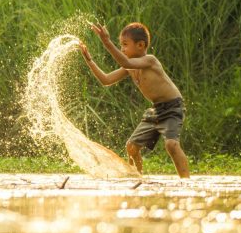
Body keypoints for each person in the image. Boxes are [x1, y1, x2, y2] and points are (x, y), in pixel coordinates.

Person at [79, 22, 190, 178]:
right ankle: (138, 178)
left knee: (171, 145)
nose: (122, 49)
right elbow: (106, 80)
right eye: (121, 45)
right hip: (156, 109)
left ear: (140, 45)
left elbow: (126, 62)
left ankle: (186, 182)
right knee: (131, 146)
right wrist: (89, 60)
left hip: (172, 107)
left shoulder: (150, 60)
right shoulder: (129, 67)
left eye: (125, 44)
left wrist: (106, 42)